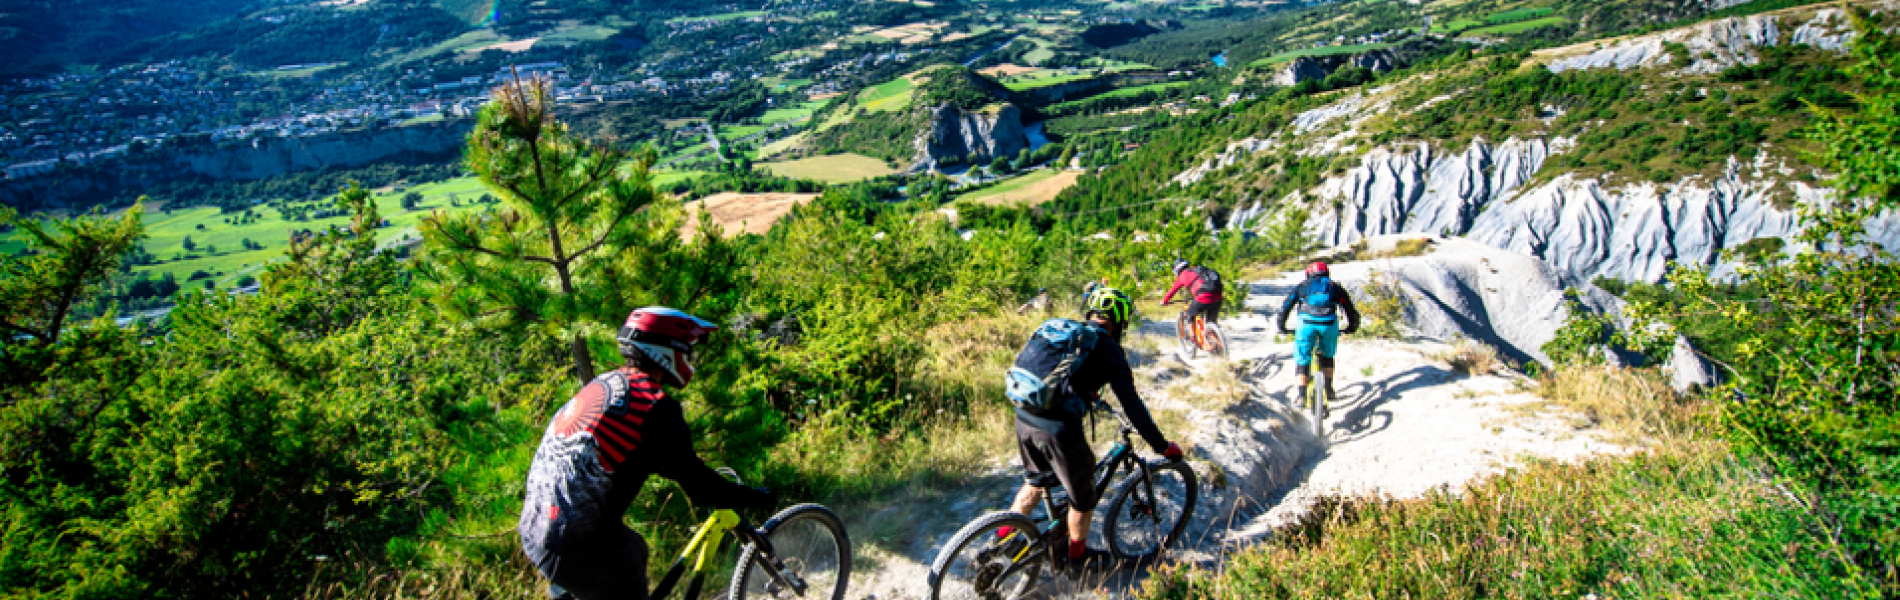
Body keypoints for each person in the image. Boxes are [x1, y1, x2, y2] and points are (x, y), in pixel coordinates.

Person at [518, 307, 776, 600]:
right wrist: (753, 497)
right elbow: (701, 490)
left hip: (537, 526)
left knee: (635, 549)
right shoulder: (655, 406)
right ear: (666, 352)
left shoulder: (607, 384)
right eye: (687, 351)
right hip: (575, 545)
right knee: (623, 568)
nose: (690, 359)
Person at [1000, 286, 1184, 578]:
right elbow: (1133, 406)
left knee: (1035, 482)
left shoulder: (1069, 334)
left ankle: (999, 540)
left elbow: (1062, 376)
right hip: (1057, 429)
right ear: (1118, 321)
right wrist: (1162, 446)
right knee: (1083, 499)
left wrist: (1086, 395)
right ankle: (1076, 559)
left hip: (1024, 414)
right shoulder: (1110, 349)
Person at [1276, 262, 1361, 403]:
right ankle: (1328, 389)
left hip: (1306, 325)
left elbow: (1286, 307)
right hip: (1329, 325)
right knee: (1327, 356)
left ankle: (1301, 396)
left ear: (1308, 274)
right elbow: (1349, 309)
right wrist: (1352, 327)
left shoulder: (1302, 286)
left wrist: (1282, 327)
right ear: (1327, 273)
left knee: (1302, 358)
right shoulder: (1335, 287)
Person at [1161, 259, 1223, 325]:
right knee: (1211, 323)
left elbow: (1172, 291)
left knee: (1190, 315)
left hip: (1203, 297)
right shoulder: (1197, 269)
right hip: (1218, 296)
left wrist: (1164, 301)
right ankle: (1213, 333)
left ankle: (1192, 335)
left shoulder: (1182, 275)